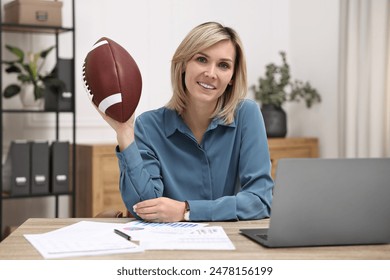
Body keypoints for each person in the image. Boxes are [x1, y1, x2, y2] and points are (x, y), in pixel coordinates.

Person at [99, 21, 273, 222]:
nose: (211, 73)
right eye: (201, 59)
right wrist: (124, 132)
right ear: (183, 65)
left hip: (231, 243)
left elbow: (260, 200)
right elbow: (144, 206)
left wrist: (186, 210)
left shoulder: (246, 116)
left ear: (232, 76)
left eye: (223, 65)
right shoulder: (149, 126)